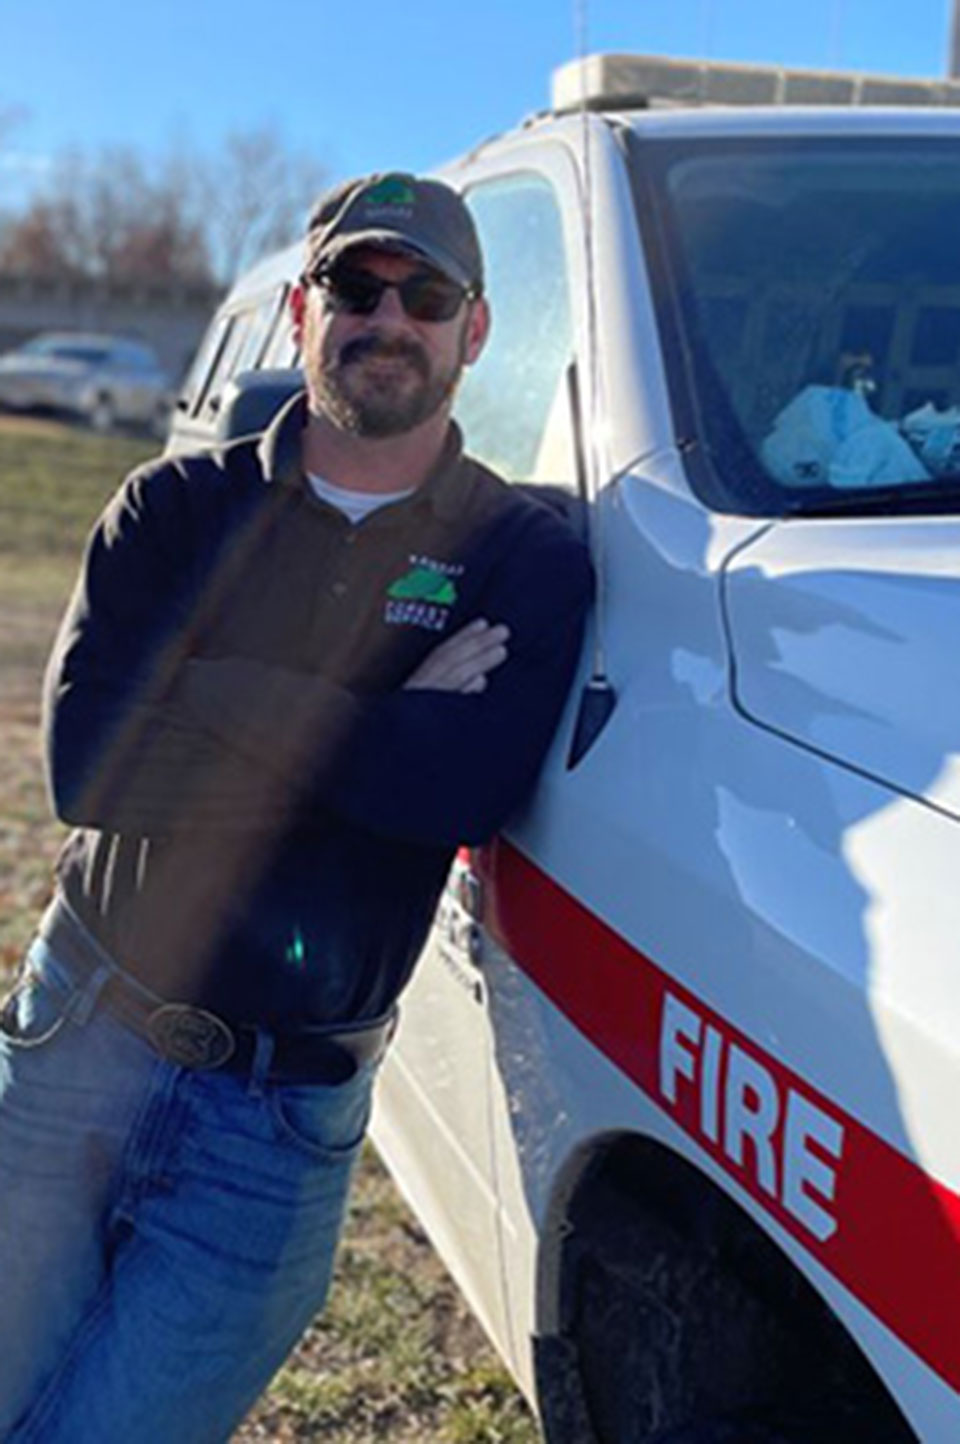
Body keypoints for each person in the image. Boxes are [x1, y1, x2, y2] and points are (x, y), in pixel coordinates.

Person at [0, 171, 592, 1443]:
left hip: (276, 1130)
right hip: (77, 1047)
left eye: (425, 293)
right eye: (354, 286)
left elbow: (456, 790)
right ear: (299, 310)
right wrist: (375, 713)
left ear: (475, 328)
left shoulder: (522, 557)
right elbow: (93, 768)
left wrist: (207, 685)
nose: (388, 318)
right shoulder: (174, 507)